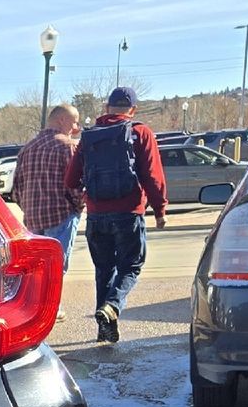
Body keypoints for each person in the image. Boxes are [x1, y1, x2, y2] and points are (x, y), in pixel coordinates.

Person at [64, 85, 167, 343]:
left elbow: (71, 179)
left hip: (96, 215)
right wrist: (159, 210)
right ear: (133, 109)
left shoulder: (90, 136)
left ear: (107, 108)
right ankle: (112, 306)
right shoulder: (140, 132)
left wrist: (86, 194)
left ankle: (104, 330)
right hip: (128, 213)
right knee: (131, 266)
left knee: (104, 270)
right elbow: (153, 176)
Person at [11, 104, 84, 269]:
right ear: (62, 120)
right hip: (61, 216)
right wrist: (78, 208)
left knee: (37, 273)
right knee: (56, 271)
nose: (76, 127)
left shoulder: (27, 148)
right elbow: (75, 185)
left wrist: (29, 209)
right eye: (74, 122)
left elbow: (17, 189)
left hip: (33, 220)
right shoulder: (68, 146)